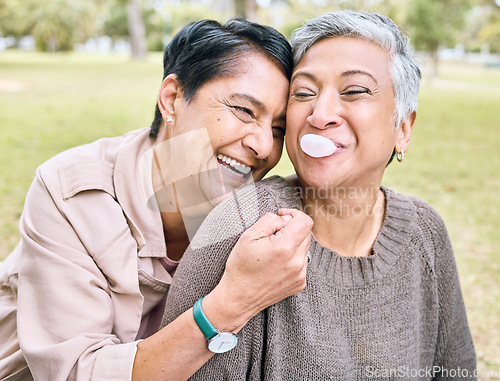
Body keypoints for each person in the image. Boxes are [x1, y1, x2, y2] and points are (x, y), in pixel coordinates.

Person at [161, 10, 477, 380]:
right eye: (304, 93)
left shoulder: (426, 231)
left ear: (403, 128)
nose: (320, 114)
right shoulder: (240, 225)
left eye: (354, 91)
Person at [0, 19, 314, 381]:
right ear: (172, 99)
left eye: (277, 129)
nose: (263, 147)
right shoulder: (71, 194)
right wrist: (234, 301)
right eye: (244, 111)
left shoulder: (261, 215)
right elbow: (75, 373)